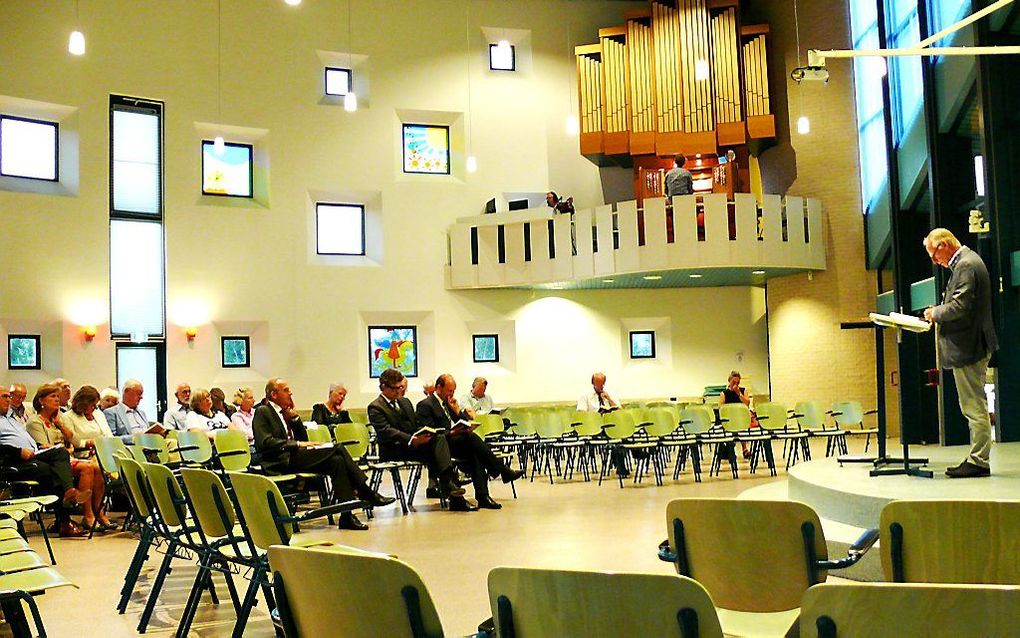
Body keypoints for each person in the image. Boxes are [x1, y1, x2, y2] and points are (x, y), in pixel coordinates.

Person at [253, 378, 394, 530]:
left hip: (293, 456)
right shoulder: (263, 411)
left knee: (337, 461)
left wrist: (295, 420)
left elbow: (303, 439)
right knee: (338, 448)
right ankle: (366, 492)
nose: (290, 393)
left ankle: (347, 516)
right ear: (274, 394)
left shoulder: (283, 412)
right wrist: (297, 444)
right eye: (286, 390)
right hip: (279, 461)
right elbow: (264, 442)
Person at [923, 228, 998, 478]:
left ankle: (978, 461)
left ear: (944, 245)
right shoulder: (968, 262)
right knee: (972, 404)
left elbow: (960, 306)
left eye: (934, 255)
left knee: (973, 405)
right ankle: (977, 457)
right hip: (972, 343)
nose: (935, 261)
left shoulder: (965, 265)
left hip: (969, 346)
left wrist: (935, 313)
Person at [416, 374, 524, 510]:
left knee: (475, 455)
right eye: (449, 390)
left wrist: (456, 410)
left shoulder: (448, 403)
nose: (452, 394)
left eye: (453, 391)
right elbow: (429, 432)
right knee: (471, 438)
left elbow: (462, 422)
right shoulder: (425, 405)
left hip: (455, 442)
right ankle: (502, 470)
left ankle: (483, 496)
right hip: (440, 446)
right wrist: (451, 433)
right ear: (439, 388)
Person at [367, 369, 470, 509]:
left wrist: (423, 434)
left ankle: (450, 488)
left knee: (438, 439)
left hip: (413, 445)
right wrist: (411, 439)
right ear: (383, 387)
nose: (398, 391)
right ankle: (450, 484)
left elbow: (415, 424)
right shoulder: (375, 407)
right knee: (436, 453)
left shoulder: (405, 402)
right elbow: (386, 431)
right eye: (395, 388)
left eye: (400, 388)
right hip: (394, 449)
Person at [0, 386, 89, 537]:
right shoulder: (31, 420)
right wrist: (18, 451)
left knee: (60, 453)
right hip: (12, 460)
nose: (9, 400)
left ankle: (66, 502)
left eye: (9, 396)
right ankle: (65, 516)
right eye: (4, 396)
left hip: (32, 454)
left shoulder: (12, 419)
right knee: (52, 469)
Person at [26, 383, 107, 534]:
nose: (57, 400)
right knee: (87, 467)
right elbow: (44, 447)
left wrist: (61, 426)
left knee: (97, 467)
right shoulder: (34, 422)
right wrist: (65, 448)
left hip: (65, 457)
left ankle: (98, 513)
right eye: (52, 396)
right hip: (50, 462)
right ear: (41, 401)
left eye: (58, 396)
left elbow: (75, 442)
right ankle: (87, 514)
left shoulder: (59, 420)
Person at [60, 385, 116, 531]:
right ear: (83, 403)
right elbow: (75, 441)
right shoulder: (68, 417)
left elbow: (108, 435)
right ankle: (90, 513)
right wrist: (92, 443)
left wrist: (100, 444)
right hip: (83, 454)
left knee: (100, 465)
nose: (94, 408)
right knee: (97, 468)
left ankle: (99, 512)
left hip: (102, 451)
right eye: (92, 405)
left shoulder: (98, 414)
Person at [719, 370, 752, 460]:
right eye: (734, 382)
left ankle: (745, 449)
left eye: (738, 382)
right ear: (729, 381)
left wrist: (739, 394)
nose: (736, 384)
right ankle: (729, 449)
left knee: (742, 423)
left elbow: (747, 403)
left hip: (741, 419)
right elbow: (721, 408)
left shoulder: (743, 391)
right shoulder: (724, 393)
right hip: (729, 420)